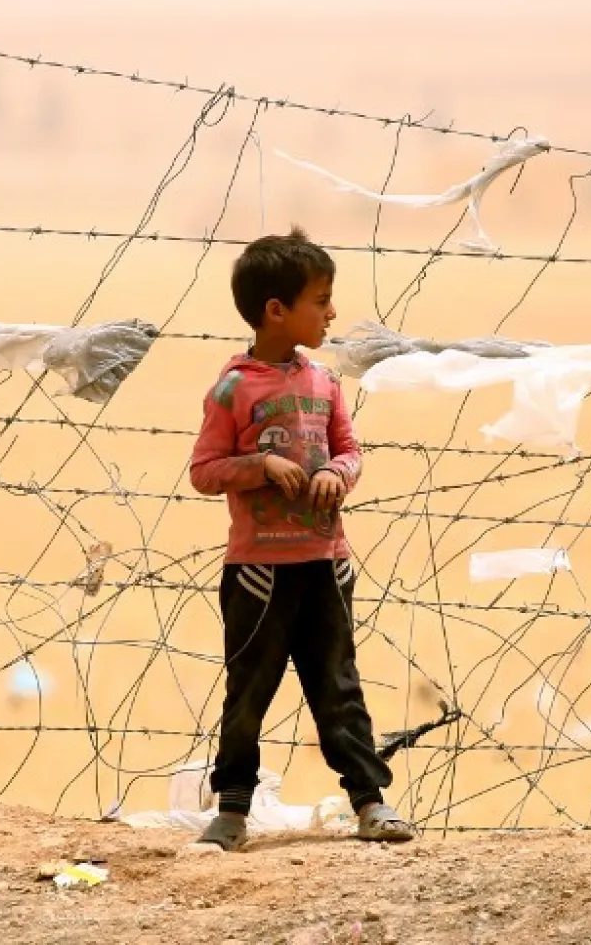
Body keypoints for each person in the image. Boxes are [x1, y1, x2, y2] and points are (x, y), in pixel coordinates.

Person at [188, 227, 414, 850]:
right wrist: (262, 466)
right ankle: (232, 809)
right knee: (249, 692)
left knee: (338, 688)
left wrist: (337, 476)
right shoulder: (233, 388)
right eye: (321, 299)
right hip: (259, 571)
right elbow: (204, 471)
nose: (332, 312)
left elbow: (349, 451)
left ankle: (370, 802)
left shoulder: (324, 383)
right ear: (276, 310)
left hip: (326, 563)